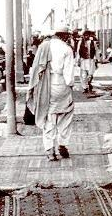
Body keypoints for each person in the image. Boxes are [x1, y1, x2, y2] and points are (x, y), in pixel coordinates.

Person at [26, 24, 76, 161]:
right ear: (64, 35)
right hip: (61, 85)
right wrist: (70, 86)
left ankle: (49, 150)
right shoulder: (67, 49)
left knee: (49, 116)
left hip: (46, 86)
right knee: (66, 115)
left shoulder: (44, 46)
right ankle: (62, 144)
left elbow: (35, 68)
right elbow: (69, 74)